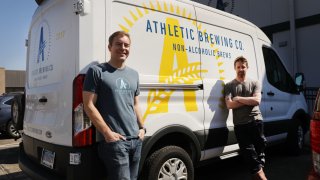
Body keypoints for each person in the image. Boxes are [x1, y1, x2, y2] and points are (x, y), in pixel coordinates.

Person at [82, 31, 145, 180]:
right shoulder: (97, 71)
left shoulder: (134, 74)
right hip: (115, 142)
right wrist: (107, 133)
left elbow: (135, 104)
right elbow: (89, 105)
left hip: (135, 140)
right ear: (109, 47)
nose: (123, 48)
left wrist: (142, 128)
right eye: (118, 44)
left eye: (126, 45)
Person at [224, 56, 267, 180]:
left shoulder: (255, 83)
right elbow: (229, 104)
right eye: (238, 67)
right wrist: (249, 100)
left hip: (256, 121)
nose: (241, 69)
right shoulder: (229, 86)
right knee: (248, 152)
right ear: (235, 68)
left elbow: (257, 101)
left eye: (243, 67)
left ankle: (257, 175)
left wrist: (238, 99)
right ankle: (262, 177)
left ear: (247, 68)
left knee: (259, 152)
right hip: (240, 124)